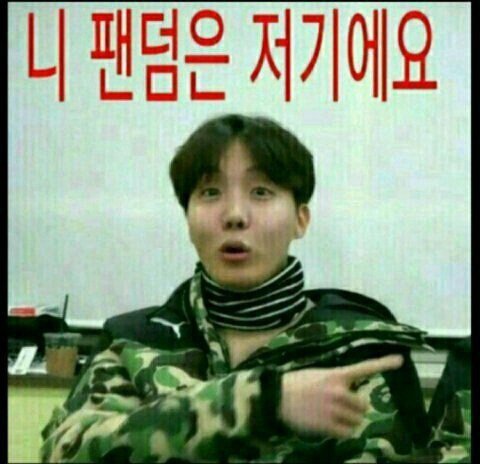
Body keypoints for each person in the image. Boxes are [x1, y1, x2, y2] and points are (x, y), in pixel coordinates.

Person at [40, 114, 460, 462]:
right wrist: (260, 404)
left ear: (301, 219)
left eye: (261, 192)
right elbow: (66, 452)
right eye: (210, 192)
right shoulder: (134, 343)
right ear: (188, 218)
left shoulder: (363, 348)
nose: (235, 215)